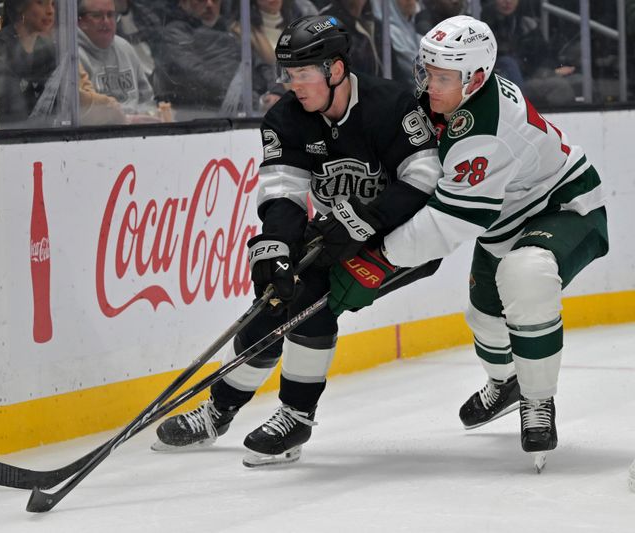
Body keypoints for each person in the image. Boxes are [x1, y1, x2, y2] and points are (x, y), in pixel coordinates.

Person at [152, 15, 442, 466]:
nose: (294, 85)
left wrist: (366, 221)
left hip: (403, 237)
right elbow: (282, 190)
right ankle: (220, 410)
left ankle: (296, 416)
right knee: (273, 298)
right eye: (288, 74)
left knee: (313, 298)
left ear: (337, 71)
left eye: (304, 74)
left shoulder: (391, 105)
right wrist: (278, 247)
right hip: (336, 232)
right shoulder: (285, 118)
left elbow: (424, 177)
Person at [341, 16, 607, 460]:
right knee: (485, 317)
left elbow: (449, 221)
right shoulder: (459, 98)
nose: (429, 87)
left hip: (563, 206)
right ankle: (505, 385)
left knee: (526, 276)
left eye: (443, 78)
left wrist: (382, 253)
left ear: (477, 77)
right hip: (504, 217)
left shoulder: (485, 130)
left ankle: (538, 401)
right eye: (425, 73)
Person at [152, 0, 277, 119]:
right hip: (207, 118)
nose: (209, 4)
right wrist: (252, 100)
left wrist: (276, 92)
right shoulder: (174, 34)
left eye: (215, 0)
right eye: (201, 0)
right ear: (184, 3)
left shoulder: (230, 30)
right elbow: (195, 75)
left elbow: (260, 64)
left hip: (253, 108)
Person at [77, 0, 158, 121]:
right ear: (80, 21)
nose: (106, 21)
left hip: (140, 132)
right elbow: (83, 115)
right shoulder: (74, 56)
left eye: (111, 15)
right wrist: (127, 121)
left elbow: (146, 99)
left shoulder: (125, 47)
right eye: (97, 16)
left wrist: (149, 115)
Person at [0, 0, 57, 127]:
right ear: (20, 6)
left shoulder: (47, 47)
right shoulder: (2, 45)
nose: (50, 11)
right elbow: (9, 106)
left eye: (53, 4)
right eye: (40, 2)